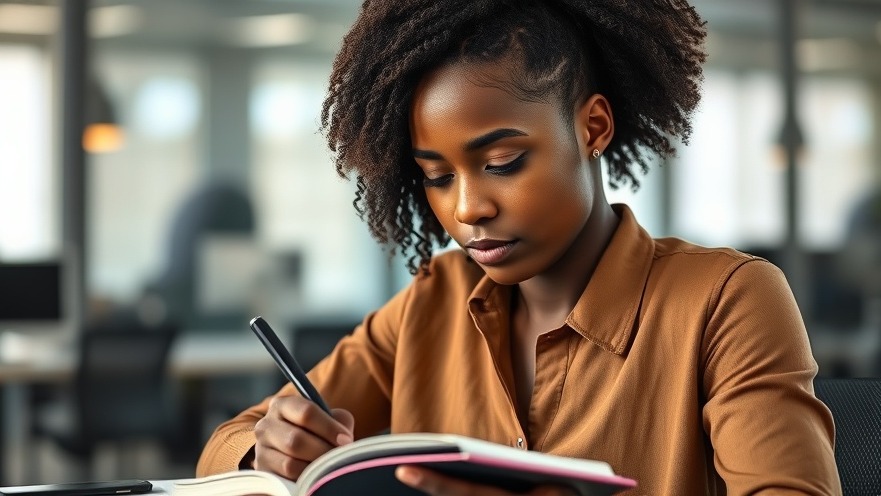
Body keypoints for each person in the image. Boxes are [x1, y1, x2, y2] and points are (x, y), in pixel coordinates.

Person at [197, 0, 841, 494]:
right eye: (437, 177)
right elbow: (224, 446)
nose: (467, 207)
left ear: (592, 128)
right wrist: (269, 447)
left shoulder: (726, 301)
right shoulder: (431, 304)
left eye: (502, 161)